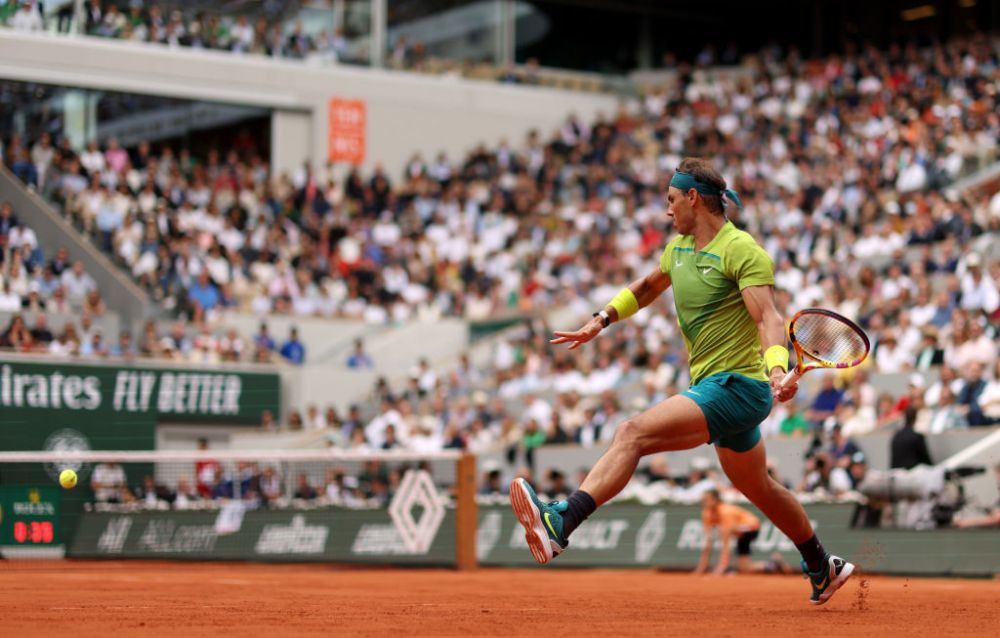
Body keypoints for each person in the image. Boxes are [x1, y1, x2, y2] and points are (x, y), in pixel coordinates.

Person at [509, 158, 853, 605]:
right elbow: (649, 286)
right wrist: (602, 319)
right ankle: (821, 566)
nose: (667, 210)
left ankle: (561, 522)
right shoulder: (679, 249)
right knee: (759, 488)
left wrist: (774, 369)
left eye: (672, 200)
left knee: (632, 433)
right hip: (717, 387)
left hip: (740, 386)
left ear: (693, 198)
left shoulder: (741, 249)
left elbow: (768, 317)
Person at [694, 489, 789, 575]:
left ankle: (726, 566)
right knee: (744, 567)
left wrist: (721, 567)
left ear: (716, 500)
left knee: (724, 532)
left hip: (751, 527)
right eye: (703, 499)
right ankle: (773, 565)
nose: (703, 502)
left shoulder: (726, 511)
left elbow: (726, 543)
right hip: (740, 532)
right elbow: (708, 541)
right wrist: (701, 567)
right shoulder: (706, 513)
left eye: (706, 499)